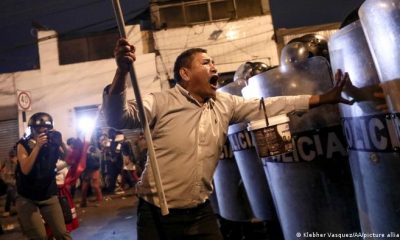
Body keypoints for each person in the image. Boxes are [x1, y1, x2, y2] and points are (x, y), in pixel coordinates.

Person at [102, 38, 351, 240]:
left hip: (200, 213)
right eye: (206, 63)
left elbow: (268, 105)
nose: (215, 68)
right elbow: (118, 118)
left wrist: (323, 98)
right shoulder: (159, 101)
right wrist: (122, 72)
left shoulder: (225, 103)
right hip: (157, 213)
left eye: (214, 63)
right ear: (185, 73)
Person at [15, 112, 71, 240]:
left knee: (62, 233)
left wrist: (61, 143)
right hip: (27, 198)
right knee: (39, 237)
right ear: (32, 129)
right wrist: (37, 147)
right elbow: (25, 169)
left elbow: (69, 159)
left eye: (46, 129)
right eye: (39, 129)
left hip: (48, 194)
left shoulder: (53, 142)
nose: (43, 132)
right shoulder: (23, 144)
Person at [0, 148, 17, 217]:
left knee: (11, 190)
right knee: (10, 190)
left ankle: (12, 207)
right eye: (11, 156)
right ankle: (10, 208)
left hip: (15, 183)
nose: (12, 158)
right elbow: (2, 173)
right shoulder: (6, 162)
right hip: (8, 182)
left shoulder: (18, 163)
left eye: (13, 156)